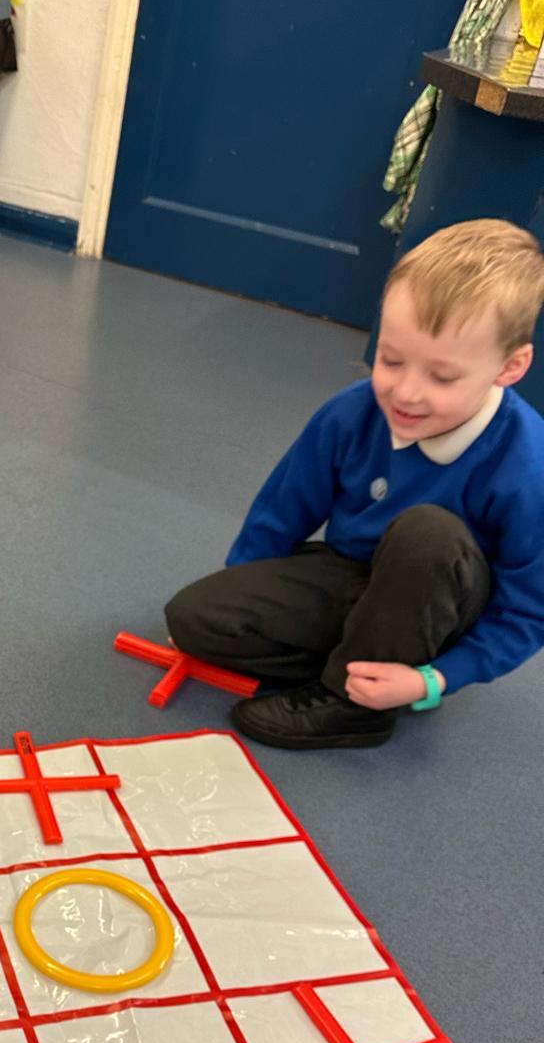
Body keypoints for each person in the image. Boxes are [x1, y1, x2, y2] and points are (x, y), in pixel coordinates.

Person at [164, 219, 544, 750]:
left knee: (427, 533)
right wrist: (245, 589)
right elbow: (282, 512)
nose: (405, 393)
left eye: (442, 377)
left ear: (510, 367)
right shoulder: (350, 413)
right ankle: (359, 664)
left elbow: (526, 611)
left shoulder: (528, 464)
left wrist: (433, 680)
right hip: (350, 574)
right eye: (391, 360)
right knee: (193, 619)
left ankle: (353, 707)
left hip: (438, 604)